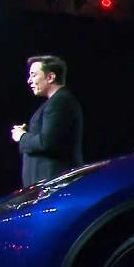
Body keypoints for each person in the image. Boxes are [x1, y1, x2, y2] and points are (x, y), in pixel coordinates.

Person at [11, 55, 84, 187]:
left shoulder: (59, 102)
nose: (29, 81)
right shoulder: (57, 102)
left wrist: (22, 136)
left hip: (53, 186)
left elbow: (47, 143)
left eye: (33, 75)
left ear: (50, 77)